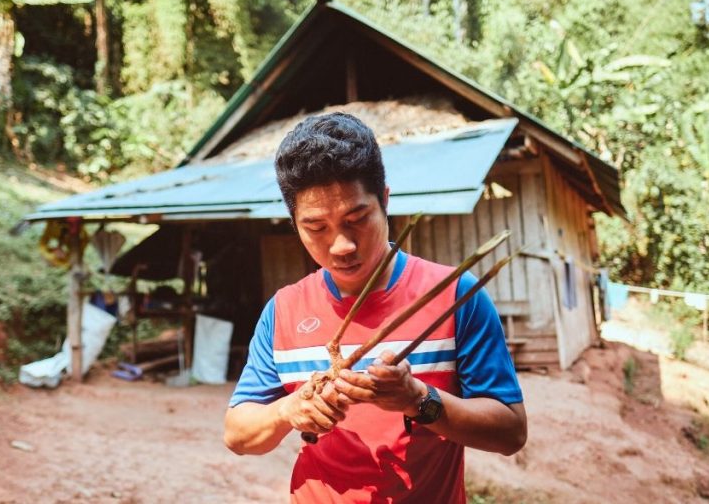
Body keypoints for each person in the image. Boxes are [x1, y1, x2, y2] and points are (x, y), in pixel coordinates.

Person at [224, 113, 527, 503]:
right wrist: (288, 411)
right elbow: (237, 434)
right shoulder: (283, 310)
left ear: (384, 199)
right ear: (294, 223)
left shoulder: (456, 297)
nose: (341, 245)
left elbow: (511, 432)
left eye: (357, 218)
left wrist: (418, 399)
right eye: (316, 228)